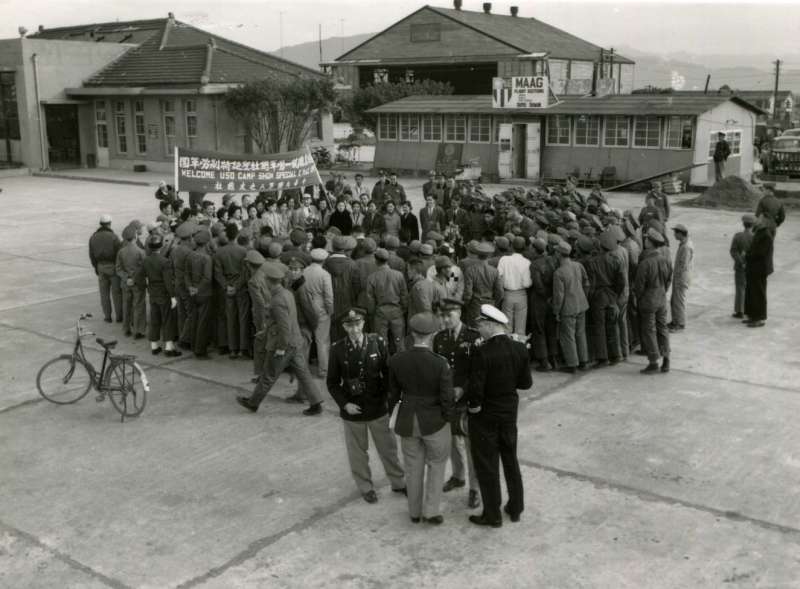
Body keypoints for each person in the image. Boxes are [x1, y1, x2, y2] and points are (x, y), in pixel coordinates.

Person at [327, 308, 406, 503]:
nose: (354, 329)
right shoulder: (337, 349)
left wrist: (390, 400)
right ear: (344, 327)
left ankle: (398, 482)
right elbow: (332, 383)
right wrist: (345, 405)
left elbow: (388, 374)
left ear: (363, 324)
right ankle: (365, 486)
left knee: (388, 448)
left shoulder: (377, 342)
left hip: (378, 407)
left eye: (357, 324)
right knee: (357, 453)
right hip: (353, 410)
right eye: (349, 325)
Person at [466, 305, 532, 527]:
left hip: (485, 417)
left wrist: (473, 408)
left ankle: (492, 515)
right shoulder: (519, 349)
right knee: (510, 460)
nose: (479, 330)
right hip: (508, 414)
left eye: (481, 326)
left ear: (491, 325)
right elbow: (525, 383)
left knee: (487, 465)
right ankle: (515, 508)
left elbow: (476, 391)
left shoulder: (482, 352)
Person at [388, 312, 455, 525]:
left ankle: (414, 513)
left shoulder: (397, 360)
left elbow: (392, 394)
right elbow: (447, 398)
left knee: (412, 467)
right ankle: (431, 511)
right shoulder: (440, 363)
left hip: (408, 421)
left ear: (413, 334)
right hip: (434, 422)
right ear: (432, 335)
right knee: (436, 464)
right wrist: (449, 419)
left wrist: (395, 416)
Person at [236, 262, 325, 416]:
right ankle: (316, 403)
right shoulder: (287, 293)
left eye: (265, 279)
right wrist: (265, 332)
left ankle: (253, 403)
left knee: (269, 374)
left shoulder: (277, 300)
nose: (263, 281)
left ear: (269, 281)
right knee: (303, 373)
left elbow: (284, 327)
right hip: (295, 341)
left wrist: (281, 348)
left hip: (285, 344)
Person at [433, 299, 482, 509]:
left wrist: (463, 388)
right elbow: (438, 369)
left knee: (473, 447)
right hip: (448, 401)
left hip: (469, 399)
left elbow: (479, 371)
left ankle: (475, 489)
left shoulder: (474, 337)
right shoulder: (440, 338)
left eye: (449, 314)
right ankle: (458, 476)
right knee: (453, 441)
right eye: (442, 315)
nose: (445, 319)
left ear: (459, 312)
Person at [634, 228, 672, 374]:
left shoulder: (645, 263)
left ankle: (653, 361)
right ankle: (666, 358)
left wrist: (640, 298)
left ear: (650, 242)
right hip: (661, 298)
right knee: (663, 329)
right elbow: (669, 279)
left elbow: (639, 286)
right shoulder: (665, 260)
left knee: (649, 330)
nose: (645, 240)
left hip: (648, 300)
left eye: (646, 239)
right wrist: (662, 292)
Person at [139, 234, 182, 357]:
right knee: (167, 320)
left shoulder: (146, 260)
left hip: (153, 293)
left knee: (155, 319)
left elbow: (139, 276)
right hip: (163, 294)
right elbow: (168, 281)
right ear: (161, 246)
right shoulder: (165, 262)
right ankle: (169, 347)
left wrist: (147, 287)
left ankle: (154, 345)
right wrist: (173, 296)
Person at [552, 241, 590, 373]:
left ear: (559, 254)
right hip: (582, 304)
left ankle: (572, 364)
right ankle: (584, 361)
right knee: (580, 333)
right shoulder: (578, 265)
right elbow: (586, 282)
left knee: (568, 336)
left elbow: (559, 296)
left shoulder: (559, 272)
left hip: (568, 308)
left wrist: (556, 311)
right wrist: (583, 296)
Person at [214, 224, 249, 359]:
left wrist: (226, 286)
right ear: (237, 235)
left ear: (226, 235)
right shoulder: (243, 251)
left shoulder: (219, 252)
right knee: (243, 318)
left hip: (226, 288)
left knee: (230, 318)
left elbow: (218, 273)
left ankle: (232, 348)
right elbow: (245, 272)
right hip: (240, 288)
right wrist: (237, 286)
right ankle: (243, 348)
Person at [366, 248, 408, 354]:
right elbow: (404, 295)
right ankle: (400, 366)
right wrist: (404, 309)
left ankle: (383, 368)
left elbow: (370, 299)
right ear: (387, 260)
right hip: (397, 311)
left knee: (381, 343)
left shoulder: (372, 277)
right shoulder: (399, 275)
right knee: (399, 342)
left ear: (376, 260)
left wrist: (372, 313)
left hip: (380, 313)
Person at [303, 248, 334, 378]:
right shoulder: (324, 275)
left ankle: (303, 369)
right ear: (324, 260)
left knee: (306, 340)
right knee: (322, 341)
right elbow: (328, 296)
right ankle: (323, 370)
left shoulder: (303, 272)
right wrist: (330, 310)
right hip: (321, 310)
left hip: (306, 308)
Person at [88, 214, 122, 323]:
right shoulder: (114, 237)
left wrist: (96, 267)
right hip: (112, 266)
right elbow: (119, 254)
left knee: (104, 294)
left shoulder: (93, 237)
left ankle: (107, 316)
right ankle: (119, 316)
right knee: (116, 293)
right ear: (110, 224)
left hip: (100, 266)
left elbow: (91, 255)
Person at [185, 229, 214, 358]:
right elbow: (207, 278)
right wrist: (198, 288)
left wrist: (191, 287)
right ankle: (200, 350)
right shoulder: (207, 258)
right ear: (206, 243)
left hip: (192, 292)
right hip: (204, 293)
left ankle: (192, 344)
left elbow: (186, 274)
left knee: (194, 319)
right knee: (203, 322)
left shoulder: (190, 255)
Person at [744, 215, 776, 328]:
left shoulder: (766, 235)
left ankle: (759, 318)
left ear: (764, 222)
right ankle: (753, 316)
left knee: (758, 293)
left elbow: (760, 253)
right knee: (752, 292)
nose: (756, 220)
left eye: (759, 219)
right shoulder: (760, 232)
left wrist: (747, 256)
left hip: (760, 269)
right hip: (755, 268)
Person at [496, 236, 532, 336]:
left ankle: (507, 348)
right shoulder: (527, 262)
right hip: (522, 295)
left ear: (511, 246)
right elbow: (527, 283)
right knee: (520, 327)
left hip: (507, 294)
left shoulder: (504, 260)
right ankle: (520, 348)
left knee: (506, 326)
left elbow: (498, 277)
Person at [116, 223, 147, 339]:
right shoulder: (140, 252)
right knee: (139, 306)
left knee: (126, 305)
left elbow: (118, 269)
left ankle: (126, 328)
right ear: (135, 237)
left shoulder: (121, 252)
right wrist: (134, 279)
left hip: (125, 283)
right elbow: (143, 269)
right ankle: (139, 330)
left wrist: (126, 278)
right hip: (138, 283)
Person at [668, 224, 693, 332]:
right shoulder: (684, 244)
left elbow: (683, 265)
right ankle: (675, 321)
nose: (674, 235)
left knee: (679, 301)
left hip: (681, 277)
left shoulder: (686, 247)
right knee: (675, 300)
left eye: (675, 233)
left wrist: (676, 276)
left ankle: (680, 324)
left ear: (680, 234)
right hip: (679, 276)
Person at [730, 214, 755, 319]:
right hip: (753, 267)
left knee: (740, 288)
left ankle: (740, 311)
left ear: (743, 224)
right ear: (753, 225)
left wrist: (741, 262)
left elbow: (733, 251)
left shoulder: (738, 236)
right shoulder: (756, 237)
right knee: (752, 289)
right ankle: (750, 310)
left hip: (740, 267)